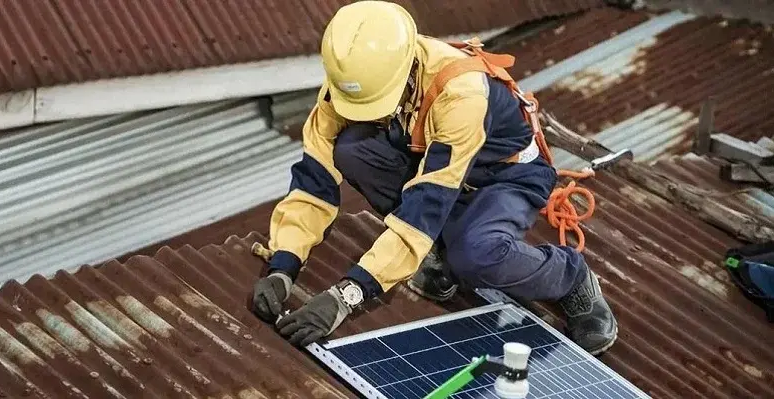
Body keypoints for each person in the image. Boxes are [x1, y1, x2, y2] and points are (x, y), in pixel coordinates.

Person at [247, 0, 618, 356]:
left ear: (406, 70)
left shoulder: (461, 93)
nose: (370, 116)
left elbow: (426, 204)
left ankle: (571, 277)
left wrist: (347, 296)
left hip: (505, 176)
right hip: (435, 166)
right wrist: (284, 265)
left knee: (475, 257)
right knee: (350, 149)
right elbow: (314, 179)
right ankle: (437, 252)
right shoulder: (351, 84)